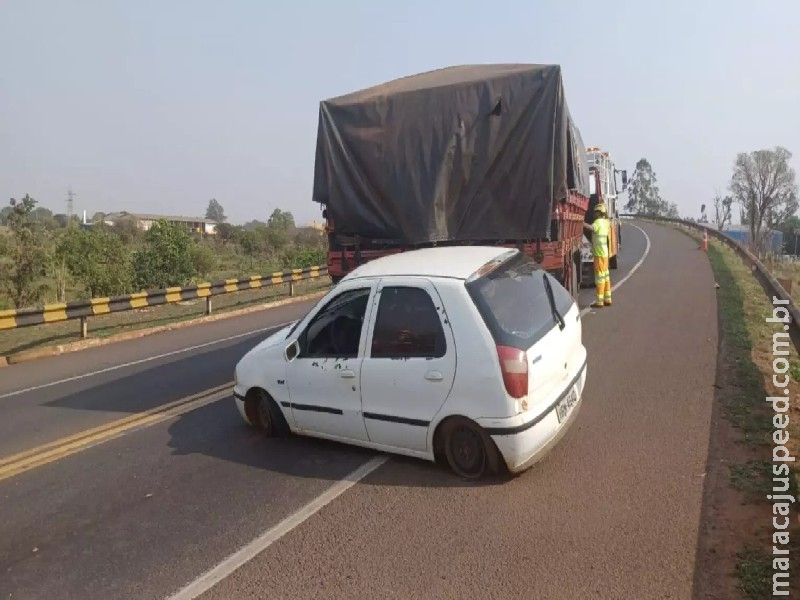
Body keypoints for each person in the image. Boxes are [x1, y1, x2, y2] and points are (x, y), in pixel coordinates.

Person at [584, 203, 612, 307]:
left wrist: (582, 223)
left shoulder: (598, 222)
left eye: (596, 212)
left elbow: (592, 228)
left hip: (599, 254)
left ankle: (599, 301)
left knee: (599, 278)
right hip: (604, 253)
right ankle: (608, 298)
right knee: (605, 276)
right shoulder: (606, 223)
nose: (594, 214)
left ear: (599, 213)